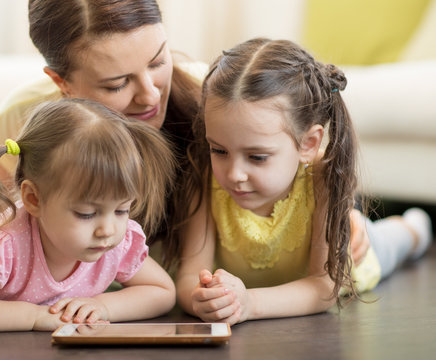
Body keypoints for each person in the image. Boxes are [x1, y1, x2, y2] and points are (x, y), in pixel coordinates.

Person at [0, 0, 368, 302]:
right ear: (61, 84)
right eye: (117, 83)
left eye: (158, 61)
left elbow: (304, 141)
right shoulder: (31, 114)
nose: (149, 95)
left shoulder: (215, 98)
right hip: (64, 275)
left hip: (141, 278)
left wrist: (336, 218)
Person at [175, 38, 433, 325]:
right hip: (252, 294)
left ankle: (414, 228)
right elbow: (188, 277)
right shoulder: (203, 179)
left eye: (257, 157)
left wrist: (250, 304)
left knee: (387, 243)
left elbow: (325, 288)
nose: (234, 173)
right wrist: (200, 299)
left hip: (356, 259)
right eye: (219, 150)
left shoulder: (322, 176)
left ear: (308, 143)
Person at [0, 98, 177, 332]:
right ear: (33, 199)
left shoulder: (117, 240)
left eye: (121, 209)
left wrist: (104, 305)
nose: (108, 229)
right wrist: (33, 316)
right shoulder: (3, 244)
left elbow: (162, 291)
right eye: (87, 213)